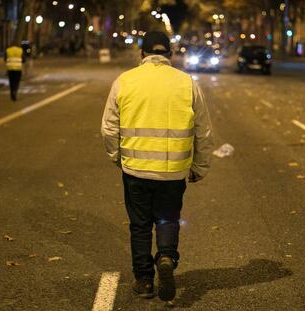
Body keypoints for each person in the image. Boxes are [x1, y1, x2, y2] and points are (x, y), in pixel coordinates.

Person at [101, 31, 213, 301]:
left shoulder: (124, 81)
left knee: (140, 225)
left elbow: (108, 128)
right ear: (170, 55)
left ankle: (144, 281)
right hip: (173, 171)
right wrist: (200, 166)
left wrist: (117, 156)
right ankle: (165, 256)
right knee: (167, 218)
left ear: (142, 54)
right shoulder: (187, 84)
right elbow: (204, 131)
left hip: (135, 169)